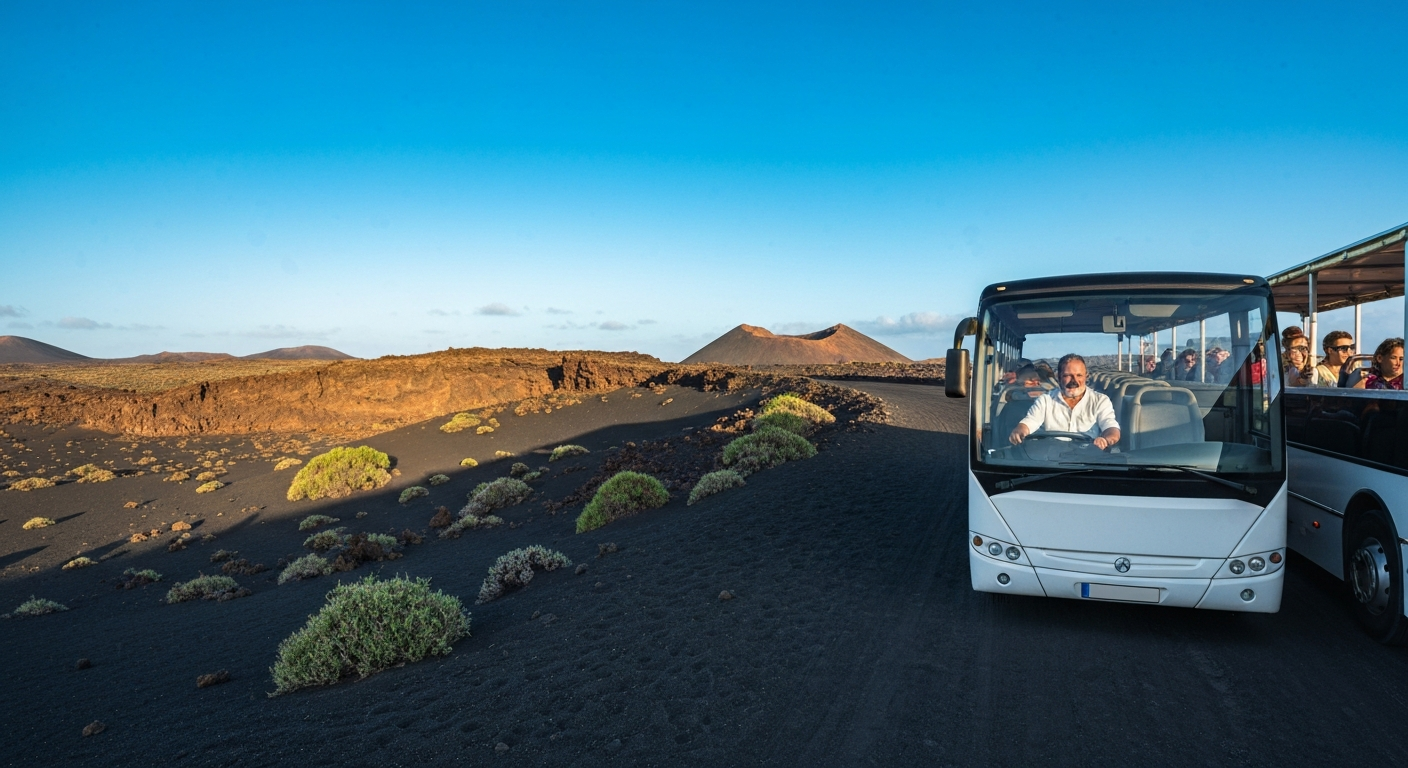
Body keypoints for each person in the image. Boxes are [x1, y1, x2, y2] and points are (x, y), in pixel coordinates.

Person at [1008, 354, 1120, 450]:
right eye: (1068, 376)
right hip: (1051, 460)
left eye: (1079, 375)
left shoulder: (1100, 400)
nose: (1074, 381)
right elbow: (1031, 421)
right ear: (1059, 378)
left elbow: (1110, 427)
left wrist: (1105, 439)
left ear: (1086, 377)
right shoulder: (1045, 400)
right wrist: (1020, 430)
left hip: (1088, 460)